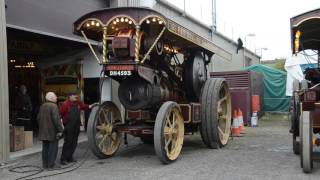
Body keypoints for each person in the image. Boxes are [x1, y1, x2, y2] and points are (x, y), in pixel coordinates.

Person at [60, 92, 97, 165]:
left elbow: (85, 107)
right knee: (68, 142)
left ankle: (70, 157)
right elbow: (60, 114)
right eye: (74, 96)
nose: (76, 97)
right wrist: (62, 126)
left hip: (76, 126)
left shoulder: (78, 103)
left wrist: (92, 105)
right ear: (69, 97)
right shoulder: (65, 104)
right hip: (68, 126)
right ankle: (63, 159)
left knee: (74, 142)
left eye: (76, 96)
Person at [37, 92, 64, 169]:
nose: (56, 98)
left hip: (43, 132)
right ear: (51, 98)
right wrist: (60, 130)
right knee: (53, 149)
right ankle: (51, 165)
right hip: (52, 132)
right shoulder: (53, 106)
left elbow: (38, 118)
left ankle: (45, 165)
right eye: (55, 97)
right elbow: (56, 120)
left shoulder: (42, 106)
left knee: (45, 149)